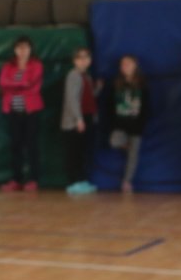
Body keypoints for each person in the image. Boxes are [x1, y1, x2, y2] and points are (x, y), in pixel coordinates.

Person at [0, 36, 43, 192]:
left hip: (31, 112)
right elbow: (3, 84)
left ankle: (33, 179)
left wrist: (14, 85)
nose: (23, 51)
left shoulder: (36, 65)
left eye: (26, 47)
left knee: (31, 146)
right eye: (19, 48)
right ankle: (16, 179)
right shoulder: (8, 67)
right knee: (15, 146)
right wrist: (20, 84)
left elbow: (32, 85)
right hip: (13, 112)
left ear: (30, 50)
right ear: (15, 50)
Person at [60, 47, 101, 195]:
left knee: (83, 152)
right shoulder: (73, 76)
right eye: (80, 58)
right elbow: (72, 100)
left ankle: (82, 180)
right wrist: (78, 119)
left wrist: (98, 89)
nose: (83, 61)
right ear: (74, 61)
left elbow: (87, 98)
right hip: (75, 122)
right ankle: (73, 182)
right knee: (74, 153)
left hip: (87, 118)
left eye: (86, 57)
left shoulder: (87, 77)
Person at [108, 54, 149, 194]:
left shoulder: (142, 83)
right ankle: (127, 146)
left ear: (135, 65)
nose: (126, 66)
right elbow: (110, 105)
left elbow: (146, 106)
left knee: (133, 155)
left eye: (129, 63)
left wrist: (141, 123)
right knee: (114, 141)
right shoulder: (116, 83)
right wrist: (113, 123)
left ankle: (127, 181)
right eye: (123, 64)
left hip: (136, 124)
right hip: (120, 123)